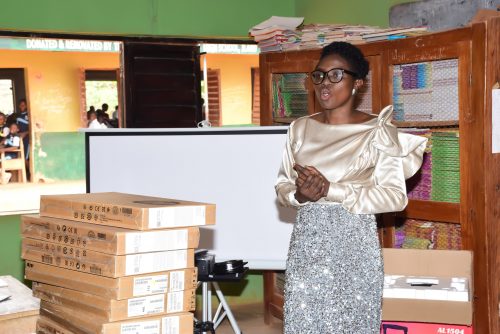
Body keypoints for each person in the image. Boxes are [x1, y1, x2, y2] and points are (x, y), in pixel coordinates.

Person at [275, 42, 427, 333]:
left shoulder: (378, 131)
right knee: (303, 321)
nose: (324, 84)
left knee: (352, 323)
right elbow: (282, 185)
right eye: (319, 76)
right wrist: (299, 195)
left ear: (358, 83)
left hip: (355, 244)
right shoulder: (299, 128)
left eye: (336, 75)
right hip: (308, 244)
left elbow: (394, 197)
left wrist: (331, 190)